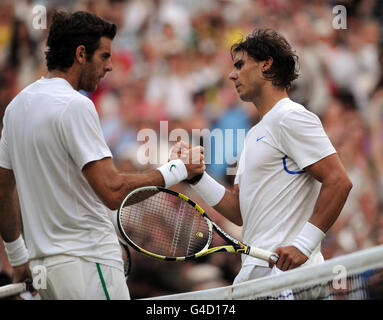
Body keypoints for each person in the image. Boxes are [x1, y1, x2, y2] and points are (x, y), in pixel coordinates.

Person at [0, 11, 204, 300]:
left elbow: (2, 191)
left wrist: (18, 257)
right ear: (81, 54)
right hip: (88, 264)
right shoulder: (75, 105)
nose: (110, 66)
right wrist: (179, 169)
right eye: (104, 56)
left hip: (46, 273)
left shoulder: (15, 107)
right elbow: (112, 191)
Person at [181, 29, 352, 284]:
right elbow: (241, 212)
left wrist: (303, 246)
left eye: (240, 65)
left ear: (266, 64)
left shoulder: (291, 116)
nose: (232, 74)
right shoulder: (254, 134)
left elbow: (338, 181)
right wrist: (198, 178)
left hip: (290, 280)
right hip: (257, 278)